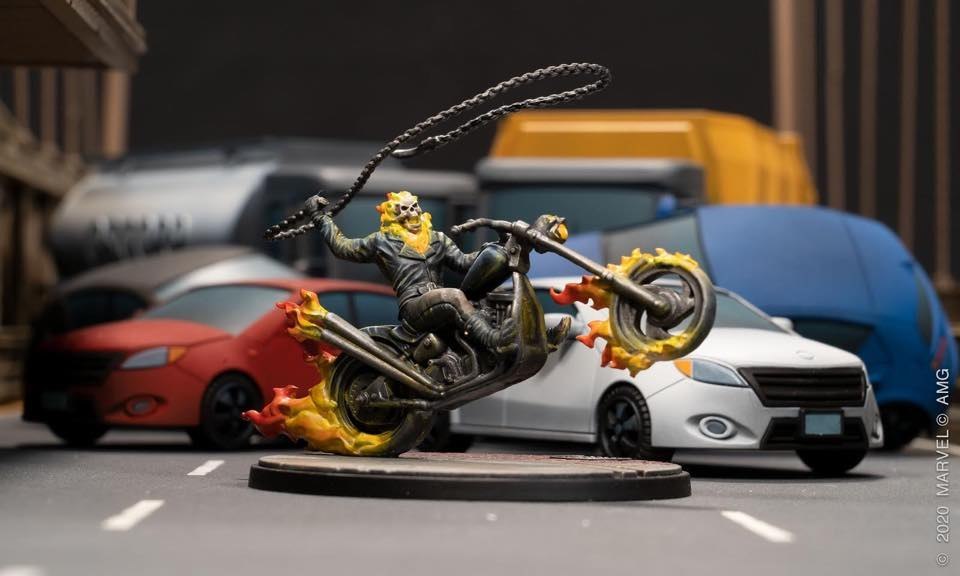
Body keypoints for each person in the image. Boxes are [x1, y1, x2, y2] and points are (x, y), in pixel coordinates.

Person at [310, 191, 514, 348]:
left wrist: (496, 247)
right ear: (393, 216)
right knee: (453, 296)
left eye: (415, 207)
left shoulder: (438, 239)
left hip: (440, 302)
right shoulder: (382, 242)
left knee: (486, 299)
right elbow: (343, 248)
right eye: (404, 209)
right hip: (414, 305)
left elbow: (464, 262)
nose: (412, 213)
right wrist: (321, 218)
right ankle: (491, 338)